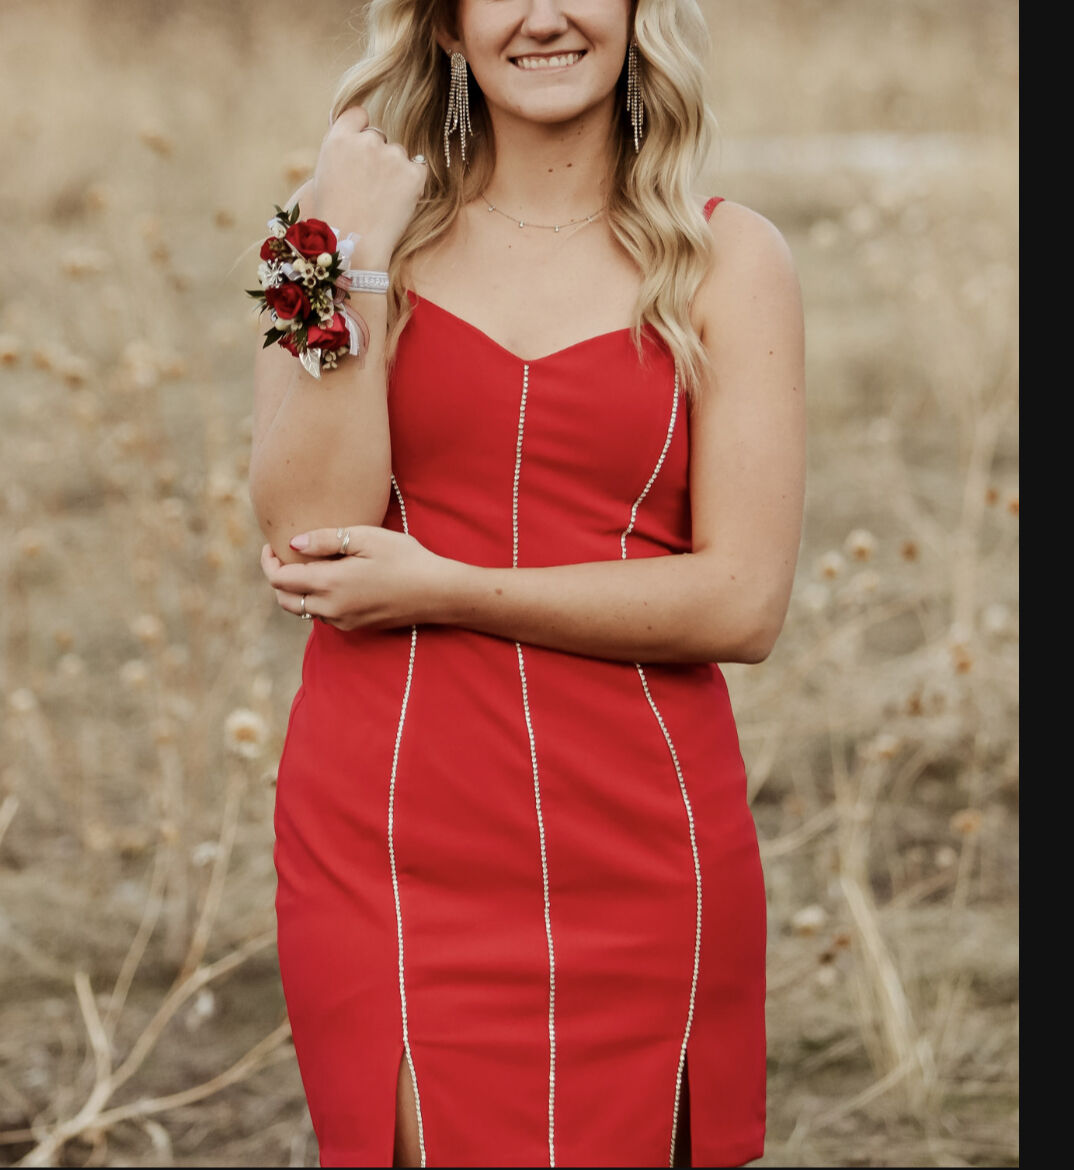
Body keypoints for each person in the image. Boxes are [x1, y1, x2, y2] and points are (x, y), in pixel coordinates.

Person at [248, 0, 805, 1165]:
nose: (545, 15)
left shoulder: (729, 258)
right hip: (387, 833)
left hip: (640, 844)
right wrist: (346, 259)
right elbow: (312, 532)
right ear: (447, 24)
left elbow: (742, 603)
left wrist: (450, 587)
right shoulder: (335, 238)